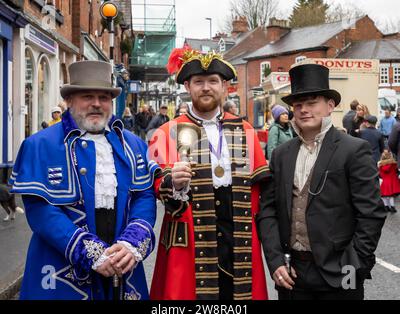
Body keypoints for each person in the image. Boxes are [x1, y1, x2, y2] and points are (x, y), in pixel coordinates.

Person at [9, 61, 160, 300]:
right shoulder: (40, 145)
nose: (97, 104)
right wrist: (89, 252)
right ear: (70, 100)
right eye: (87, 96)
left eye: (104, 97)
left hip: (123, 269)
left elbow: (144, 195)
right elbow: (40, 211)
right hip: (61, 267)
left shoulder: (131, 144)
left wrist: (133, 243)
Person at [256, 63, 387, 300]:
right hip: (292, 273)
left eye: (312, 103)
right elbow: (267, 211)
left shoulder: (354, 150)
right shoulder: (281, 154)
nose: (304, 109)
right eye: (298, 105)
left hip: (341, 273)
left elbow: (371, 214)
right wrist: (276, 262)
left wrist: (354, 265)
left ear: (330, 106)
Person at [149, 47, 269, 300]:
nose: (206, 88)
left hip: (238, 230)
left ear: (224, 87)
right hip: (192, 233)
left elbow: (261, 191)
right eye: (199, 82)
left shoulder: (244, 129)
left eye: (213, 81)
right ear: (188, 87)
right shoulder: (169, 130)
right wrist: (172, 182)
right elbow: (156, 184)